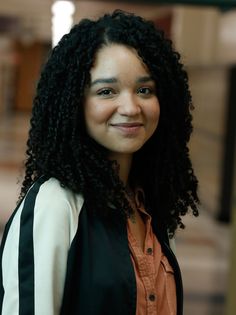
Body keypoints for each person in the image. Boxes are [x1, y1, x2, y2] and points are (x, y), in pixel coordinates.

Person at [0, 10, 199, 315]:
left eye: (144, 90)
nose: (131, 107)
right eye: (106, 91)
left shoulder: (148, 203)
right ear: (74, 103)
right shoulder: (56, 205)